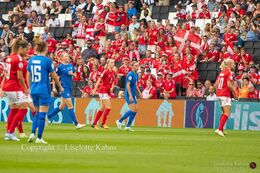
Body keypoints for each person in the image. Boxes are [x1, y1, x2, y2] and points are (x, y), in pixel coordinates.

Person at [27, 41, 64, 144]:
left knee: (37, 113)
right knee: (42, 114)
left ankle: (32, 133)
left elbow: (28, 75)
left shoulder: (31, 60)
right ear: (45, 49)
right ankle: (39, 138)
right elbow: (54, 76)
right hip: (43, 90)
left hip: (33, 89)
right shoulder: (47, 61)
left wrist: (29, 87)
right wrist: (60, 87)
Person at [47, 53, 86, 129]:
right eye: (66, 56)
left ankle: (47, 117)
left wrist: (72, 74)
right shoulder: (60, 67)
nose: (68, 57)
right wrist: (54, 87)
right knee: (70, 105)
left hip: (69, 87)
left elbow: (75, 75)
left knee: (61, 107)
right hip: (63, 88)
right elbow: (55, 77)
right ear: (62, 58)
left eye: (68, 56)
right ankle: (76, 124)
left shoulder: (71, 66)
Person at [2, 39, 29, 141]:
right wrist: (26, 89)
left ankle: (8, 132)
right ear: (20, 48)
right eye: (25, 49)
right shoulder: (18, 59)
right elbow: (20, 77)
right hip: (14, 87)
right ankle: (11, 132)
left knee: (14, 110)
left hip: (7, 88)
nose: (26, 52)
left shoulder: (9, 58)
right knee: (24, 109)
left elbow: (5, 74)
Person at [116, 61, 142, 131]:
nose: (137, 67)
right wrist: (130, 95)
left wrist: (139, 92)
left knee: (135, 110)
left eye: (138, 65)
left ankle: (127, 126)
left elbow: (136, 84)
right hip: (128, 94)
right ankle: (120, 121)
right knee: (133, 110)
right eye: (136, 66)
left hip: (133, 94)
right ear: (132, 66)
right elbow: (128, 85)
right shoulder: (130, 75)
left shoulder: (136, 74)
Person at [215, 59, 237, 137]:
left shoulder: (222, 72)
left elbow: (216, 84)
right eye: (233, 63)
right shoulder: (229, 72)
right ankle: (220, 129)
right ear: (230, 64)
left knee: (223, 112)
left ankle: (220, 129)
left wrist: (218, 93)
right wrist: (235, 92)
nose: (234, 65)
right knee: (227, 113)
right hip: (225, 95)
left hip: (220, 95)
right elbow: (229, 84)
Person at [91, 59, 116, 130]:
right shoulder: (105, 71)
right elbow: (99, 80)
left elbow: (113, 81)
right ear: (108, 64)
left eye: (113, 62)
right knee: (108, 107)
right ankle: (103, 123)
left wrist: (112, 87)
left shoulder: (113, 72)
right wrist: (94, 89)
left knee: (102, 108)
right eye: (111, 62)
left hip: (107, 91)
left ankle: (94, 123)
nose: (113, 63)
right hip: (103, 90)